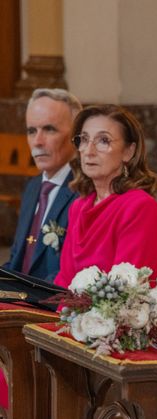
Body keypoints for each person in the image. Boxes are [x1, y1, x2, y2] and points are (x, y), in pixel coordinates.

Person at [54, 105, 157, 288]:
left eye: (103, 141)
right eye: (84, 139)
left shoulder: (140, 208)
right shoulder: (79, 206)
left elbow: (126, 292)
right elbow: (64, 281)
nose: (89, 151)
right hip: (73, 313)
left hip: (116, 314)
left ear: (128, 152)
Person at [3, 88, 81, 282]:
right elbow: (16, 262)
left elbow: (77, 273)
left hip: (54, 305)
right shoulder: (33, 186)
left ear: (77, 136)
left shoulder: (84, 190)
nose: (37, 141)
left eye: (49, 129)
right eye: (31, 131)